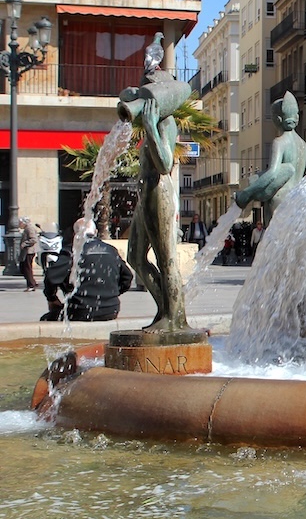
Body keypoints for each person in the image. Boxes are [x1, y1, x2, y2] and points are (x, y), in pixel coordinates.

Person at [119, 68, 193, 332]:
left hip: (158, 193)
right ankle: (165, 307)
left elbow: (164, 163)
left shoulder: (165, 122)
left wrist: (150, 126)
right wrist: (130, 96)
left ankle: (175, 319)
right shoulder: (152, 114)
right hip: (146, 195)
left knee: (166, 259)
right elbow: (128, 98)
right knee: (136, 257)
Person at [234, 92, 306, 226]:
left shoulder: (279, 142)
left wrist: (247, 193)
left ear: (277, 119)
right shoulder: (303, 144)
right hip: (296, 201)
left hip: (278, 199)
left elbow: (273, 174)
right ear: (297, 118)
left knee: (272, 243)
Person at [41, 218, 134, 322]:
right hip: (111, 310)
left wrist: (52, 298)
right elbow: (127, 276)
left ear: (75, 234)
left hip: (80, 310)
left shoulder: (73, 251)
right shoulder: (110, 250)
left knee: (46, 319)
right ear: (95, 232)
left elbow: (51, 277)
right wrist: (111, 295)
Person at [19, 218, 39, 290]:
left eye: (20, 223)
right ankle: (32, 282)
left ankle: (31, 284)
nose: (19, 225)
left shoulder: (29, 228)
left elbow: (33, 239)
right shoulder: (27, 228)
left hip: (29, 251)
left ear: (24, 223)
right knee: (24, 268)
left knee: (27, 268)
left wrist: (24, 244)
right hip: (27, 251)